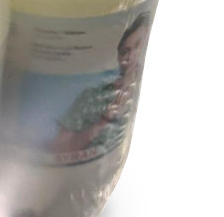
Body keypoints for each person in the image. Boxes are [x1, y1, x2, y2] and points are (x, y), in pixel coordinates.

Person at [49, 13, 151, 163]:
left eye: (138, 45)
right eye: (125, 51)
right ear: (119, 57)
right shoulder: (92, 98)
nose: (131, 56)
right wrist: (103, 122)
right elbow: (60, 148)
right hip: (85, 170)